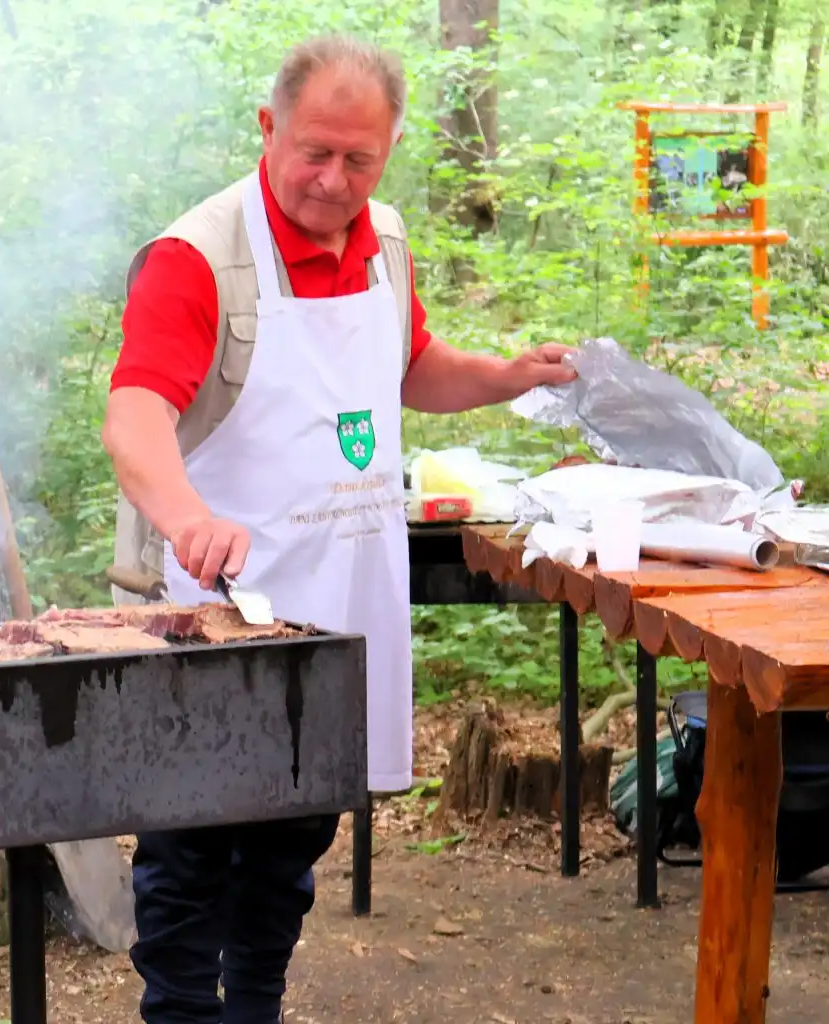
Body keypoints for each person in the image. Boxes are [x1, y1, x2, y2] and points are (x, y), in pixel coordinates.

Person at [102, 34, 578, 1024]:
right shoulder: (199, 258)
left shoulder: (385, 242)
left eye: (360, 159)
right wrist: (189, 519)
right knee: (191, 848)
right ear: (269, 128)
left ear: (391, 148)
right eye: (315, 150)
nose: (333, 179)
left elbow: (405, 370)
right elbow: (135, 416)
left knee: (292, 845)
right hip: (211, 613)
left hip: (339, 607)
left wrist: (505, 376)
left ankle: (258, 1010)